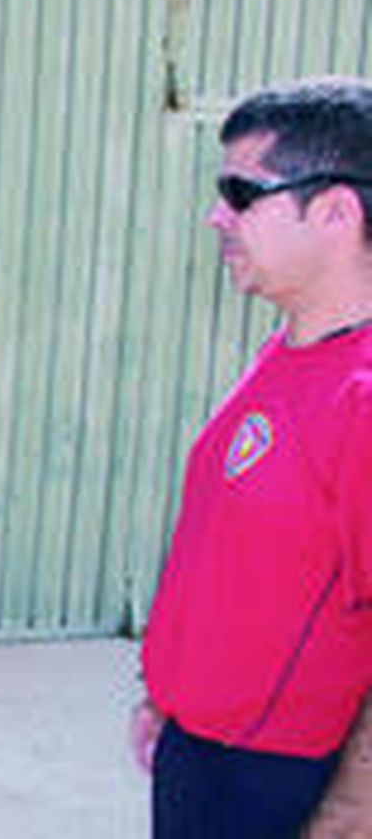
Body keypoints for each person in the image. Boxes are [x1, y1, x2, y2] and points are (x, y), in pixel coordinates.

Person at [130, 78, 372, 839]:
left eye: (242, 192)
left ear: (337, 212)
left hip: (276, 782)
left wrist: (348, 816)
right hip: (203, 755)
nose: (217, 216)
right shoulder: (292, 346)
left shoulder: (362, 397)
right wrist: (167, 699)